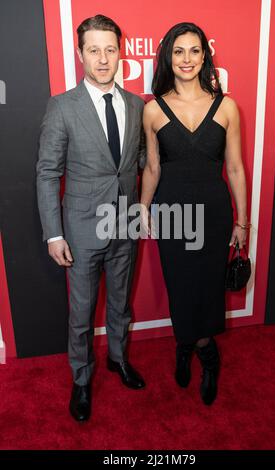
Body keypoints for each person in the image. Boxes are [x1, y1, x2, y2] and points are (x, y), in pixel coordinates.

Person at [37, 14, 146, 422]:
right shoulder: (62, 106)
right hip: (81, 231)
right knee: (81, 314)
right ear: (80, 53)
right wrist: (54, 235)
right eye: (94, 50)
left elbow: (135, 162)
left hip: (126, 226)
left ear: (121, 53)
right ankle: (81, 378)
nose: (103, 59)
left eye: (110, 49)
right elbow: (47, 172)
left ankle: (118, 360)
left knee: (121, 304)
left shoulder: (136, 105)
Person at [141, 22, 249, 405]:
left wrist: (242, 221)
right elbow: (152, 167)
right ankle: (187, 344)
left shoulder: (227, 107)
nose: (186, 59)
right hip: (170, 213)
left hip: (214, 214)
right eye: (178, 51)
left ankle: (205, 351)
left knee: (206, 288)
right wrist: (142, 208)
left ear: (205, 56)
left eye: (194, 51)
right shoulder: (153, 109)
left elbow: (235, 168)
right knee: (180, 286)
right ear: (168, 57)